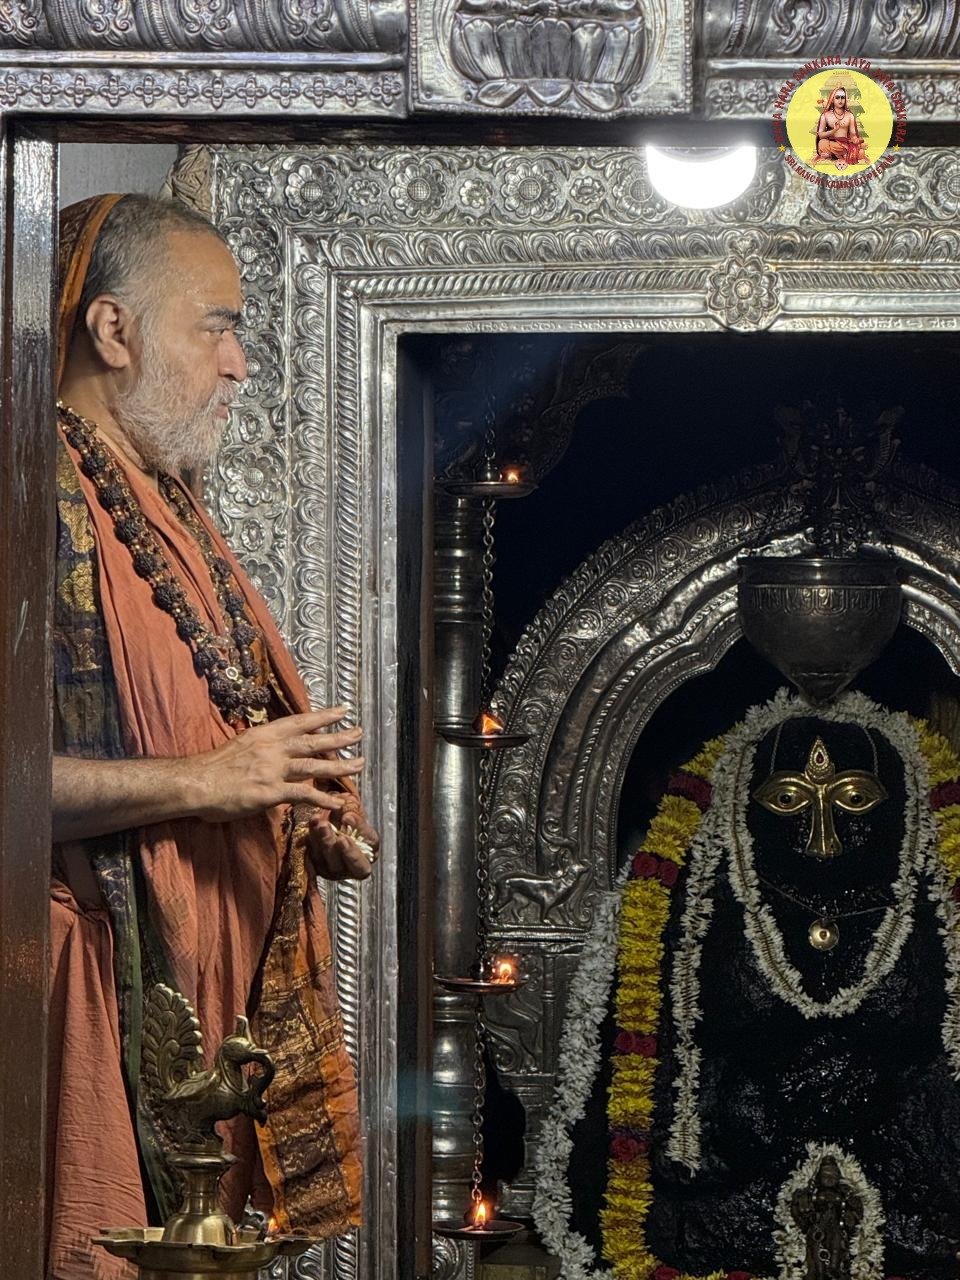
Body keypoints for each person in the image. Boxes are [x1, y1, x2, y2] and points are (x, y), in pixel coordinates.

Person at [50, 194, 380, 1279]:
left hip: (204, 1021)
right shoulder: (29, 498)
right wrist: (212, 778)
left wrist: (296, 810)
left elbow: (226, 742)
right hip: (88, 1005)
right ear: (114, 331)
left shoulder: (167, 506)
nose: (239, 365)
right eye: (218, 325)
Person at [814, 87, 867, 169]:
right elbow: (820, 135)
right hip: (832, 144)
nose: (840, 100)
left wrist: (856, 140)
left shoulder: (850, 115)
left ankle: (833, 156)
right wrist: (833, 131)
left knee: (861, 152)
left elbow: (853, 134)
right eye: (837, 97)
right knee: (822, 143)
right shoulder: (825, 115)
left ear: (845, 100)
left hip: (846, 145)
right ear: (832, 100)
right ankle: (840, 156)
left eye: (843, 97)